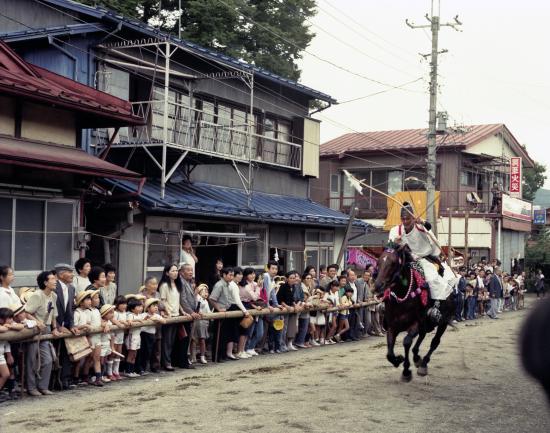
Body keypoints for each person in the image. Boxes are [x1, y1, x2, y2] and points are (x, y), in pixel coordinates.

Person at [389, 202, 456, 323]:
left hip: (422, 258)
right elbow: (389, 248)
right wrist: (395, 242)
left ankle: (435, 307)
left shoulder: (421, 227)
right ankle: (386, 303)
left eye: (408, 218)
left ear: (413, 218)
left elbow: (432, 237)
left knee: (432, 279)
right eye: (403, 218)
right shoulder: (396, 230)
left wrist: (423, 224)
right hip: (405, 259)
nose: (405, 221)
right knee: (389, 275)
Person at [25, 270, 61, 396]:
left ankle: (43, 386)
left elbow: (54, 315)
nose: (55, 281)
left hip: (47, 329)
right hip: (34, 330)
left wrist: (55, 328)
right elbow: (26, 312)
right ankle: (31, 387)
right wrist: (37, 322)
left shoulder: (53, 295)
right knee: (32, 359)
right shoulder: (37, 295)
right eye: (52, 279)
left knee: (48, 359)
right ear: (45, 282)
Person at [53, 263, 78, 390]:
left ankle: (65, 380)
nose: (72, 275)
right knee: (53, 355)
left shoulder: (71, 288)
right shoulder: (53, 286)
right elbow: (50, 310)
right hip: (53, 326)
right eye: (70, 272)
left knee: (67, 353)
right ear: (61, 274)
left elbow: (71, 310)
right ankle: (52, 382)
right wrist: (57, 326)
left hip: (67, 326)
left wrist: (72, 325)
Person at [158, 264, 182, 371]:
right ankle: (166, 362)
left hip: (176, 314)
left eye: (176, 270)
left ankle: (169, 361)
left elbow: (178, 301)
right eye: (173, 271)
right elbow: (163, 301)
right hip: (169, 316)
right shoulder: (164, 285)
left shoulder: (177, 285)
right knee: (167, 340)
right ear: (167, 273)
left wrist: (183, 312)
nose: (175, 273)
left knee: (172, 340)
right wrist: (168, 312)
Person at [179, 263, 200, 368]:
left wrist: (195, 311)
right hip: (185, 314)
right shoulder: (181, 282)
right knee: (184, 338)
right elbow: (183, 300)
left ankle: (184, 360)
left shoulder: (189, 282)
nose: (191, 272)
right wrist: (191, 312)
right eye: (188, 270)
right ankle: (182, 361)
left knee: (187, 338)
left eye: (192, 270)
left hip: (191, 313)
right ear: (181, 272)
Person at [241, 268, 264, 356]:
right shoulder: (245, 285)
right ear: (246, 276)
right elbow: (254, 298)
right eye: (250, 274)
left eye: (254, 273)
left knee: (260, 332)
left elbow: (260, 293)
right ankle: (246, 348)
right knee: (249, 331)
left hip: (257, 308)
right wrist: (258, 287)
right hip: (248, 307)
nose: (253, 275)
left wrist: (260, 285)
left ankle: (251, 347)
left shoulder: (254, 283)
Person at [139, 298, 166, 374]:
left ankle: (151, 367)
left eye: (156, 306)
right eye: (154, 306)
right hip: (143, 335)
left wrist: (158, 320)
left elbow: (164, 321)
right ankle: (141, 369)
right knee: (143, 351)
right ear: (148, 308)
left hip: (152, 335)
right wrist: (147, 319)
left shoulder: (156, 315)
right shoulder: (143, 315)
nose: (156, 307)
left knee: (151, 352)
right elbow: (141, 321)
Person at [277, 270, 300, 351]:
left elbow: (292, 299)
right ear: (287, 279)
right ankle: (281, 345)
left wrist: (295, 305)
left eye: (294, 278)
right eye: (291, 278)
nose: (293, 279)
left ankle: (287, 344)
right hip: (283, 308)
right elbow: (280, 299)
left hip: (290, 308)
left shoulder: (293, 287)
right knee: (283, 328)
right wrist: (287, 306)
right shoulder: (283, 286)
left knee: (289, 328)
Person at [192, 284, 211, 364]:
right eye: (204, 291)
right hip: (197, 322)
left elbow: (209, 311)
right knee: (194, 339)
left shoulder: (206, 301)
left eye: (207, 291)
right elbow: (197, 307)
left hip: (204, 322)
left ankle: (202, 356)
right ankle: (193, 356)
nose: (206, 293)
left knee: (202, 339)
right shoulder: (197, 298)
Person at [111, 296, 129, 380]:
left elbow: (126, 321)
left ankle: (116, 371)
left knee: (119, 352)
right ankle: (109, 372)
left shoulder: (125, 313)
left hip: (121, 335)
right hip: (114, 336)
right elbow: (112, 319)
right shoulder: (114, 312)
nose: (124, 306)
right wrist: (119, 323)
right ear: (117, 304)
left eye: (125, 304)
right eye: (122, 304)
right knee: (112, 353)